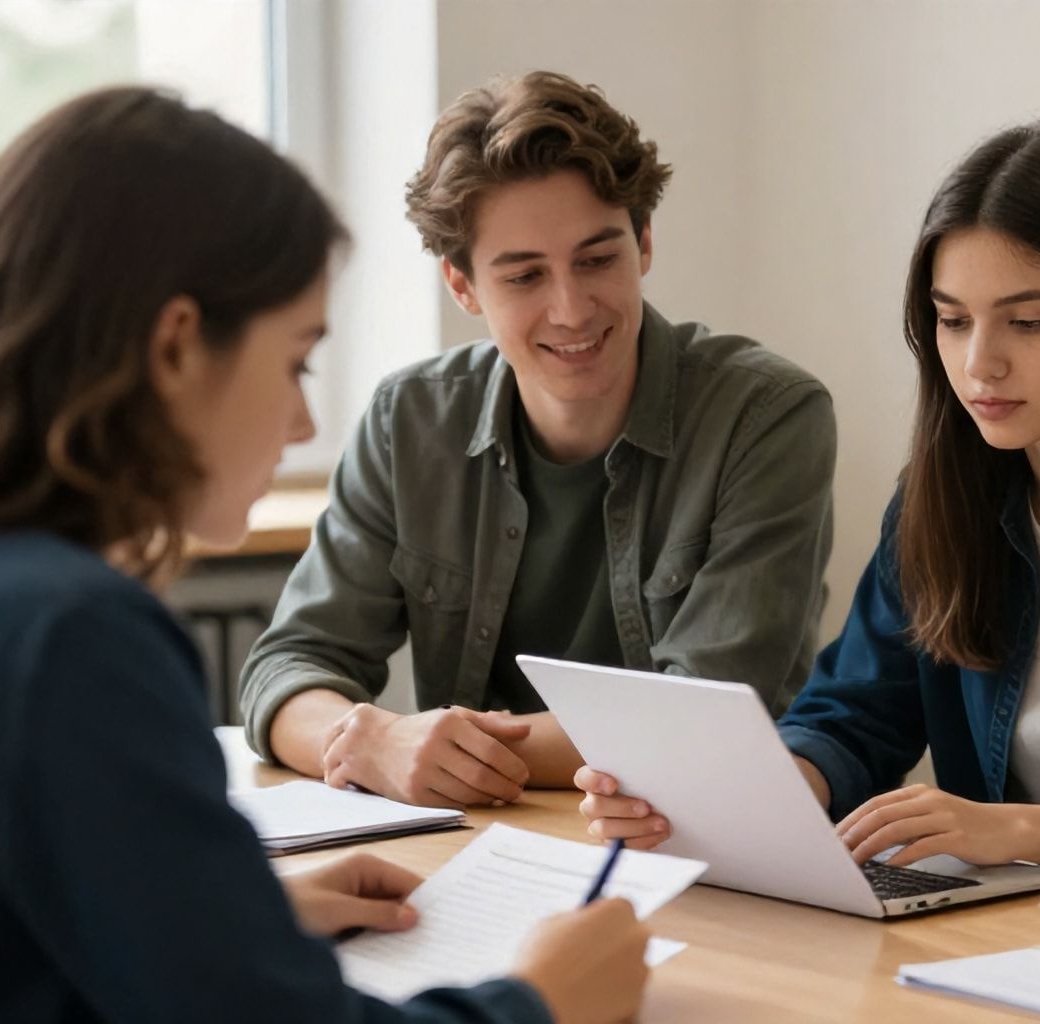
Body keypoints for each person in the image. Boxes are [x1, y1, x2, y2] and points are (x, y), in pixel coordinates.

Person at [0, 86, 648, 1024]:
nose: (302, 423)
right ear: (178, 348)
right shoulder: (73, 634)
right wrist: (541, 1003)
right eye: (296, 360)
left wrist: (218, 922)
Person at [576, 119, 1040, 868]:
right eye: (953, 320)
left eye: (1027, 322)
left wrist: (1012, 830)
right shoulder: (937, 500)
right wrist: (740, 797)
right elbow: (852, 719)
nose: (979, 364)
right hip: (997, 920)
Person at [240, 70, 837, 808]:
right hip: (477, 836)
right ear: (462, 286)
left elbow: (708, 717)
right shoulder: (409, 420)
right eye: (524, 276)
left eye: (598, 259)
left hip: (688, 837)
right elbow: (289, 665)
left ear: (644, 242)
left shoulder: (768, 415)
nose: (572, 309)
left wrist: (445, 751)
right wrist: (372, 742)